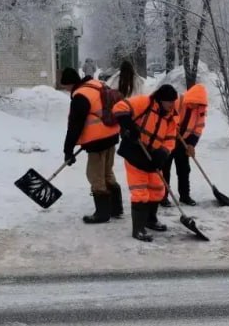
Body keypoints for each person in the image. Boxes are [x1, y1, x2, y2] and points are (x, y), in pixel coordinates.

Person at [113, 84, 180, 242]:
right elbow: (119, 108)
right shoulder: (144, 102)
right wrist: (129, 126)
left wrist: (163, 154)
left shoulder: (171, 116)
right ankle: (138, 228)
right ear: (161, 100)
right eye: (169, 102)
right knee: (140, 191)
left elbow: (170, 139)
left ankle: (151, 219)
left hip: (153, 156)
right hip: (134, 151)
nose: (172, 105)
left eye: (173, 102)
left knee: (157, 189)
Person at [59, 67, 122, 224]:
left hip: (98, 141)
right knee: (107, 172)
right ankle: (116, 208)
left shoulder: (80, 96)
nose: (66, 90)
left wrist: (68, 150)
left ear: (70, 84)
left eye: (66, 87)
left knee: (95, 175)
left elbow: (75, 126)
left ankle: (102, 214)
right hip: (112, 134)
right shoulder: (96, 84)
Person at [162, 82, 208, 208]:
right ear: (190, 98)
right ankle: (163, 196)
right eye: (194, 102)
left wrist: (191, 144)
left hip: (184, 142)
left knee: (184, 169)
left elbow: (198, 128)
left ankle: (185, 195)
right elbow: (165, 117)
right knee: (165, 168)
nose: (195, 106)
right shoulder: (178, 102)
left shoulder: (201, 109)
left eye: (198, 104)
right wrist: (172, 129)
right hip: (168, 140)